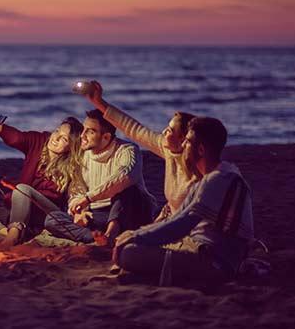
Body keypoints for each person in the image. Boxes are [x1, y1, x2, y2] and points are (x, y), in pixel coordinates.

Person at [114, 117, 254, 286]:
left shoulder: (217, 179)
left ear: (200, 149)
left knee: (128, 254)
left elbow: (182, 224)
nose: (182, 147)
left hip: (214, 262)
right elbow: (176, 218)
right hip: (205, 250)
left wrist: (136, 238)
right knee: (130, 244)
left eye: (187, 142)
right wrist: (135, 235)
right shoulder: (210, 177)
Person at [82, 81, 198, 220]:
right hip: (170, 219)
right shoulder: (168, 149)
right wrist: (99, 102)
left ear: (183, 139)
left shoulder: (200, 169)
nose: (164, 131)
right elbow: (133, 128)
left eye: (170, 130)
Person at [44, 109, 156, 246]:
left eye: (90, 132)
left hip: (130, 211)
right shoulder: (83, 154)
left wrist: (88, 198)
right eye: (83, 130)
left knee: (126, 189)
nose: (82, 136)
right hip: (98, 214)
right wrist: (80, 212)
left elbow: (124, 176)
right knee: (52, 219)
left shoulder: (127, 150)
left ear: (106, 137)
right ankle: (94, 238)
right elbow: (76, 189)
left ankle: (111, 234)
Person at [0, 116, 84, 248]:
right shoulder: (40, 141)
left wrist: (21, 192)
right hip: (23, 211)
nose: (55, 139)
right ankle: (15, 233)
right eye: (56, 132)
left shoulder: (72, 164)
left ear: (72, 145)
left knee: (22, 190)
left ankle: (12, 237)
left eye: (64, 139)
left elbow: (64, 195)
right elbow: (18, 138)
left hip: (48, 214)